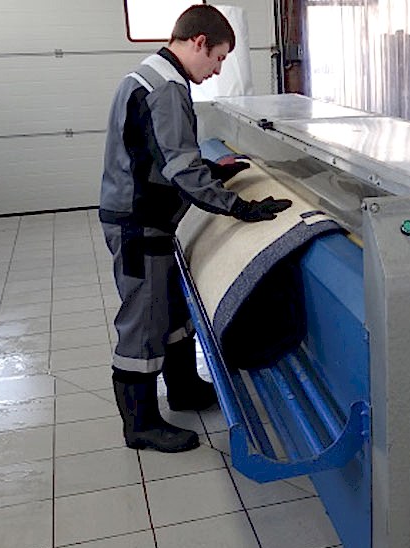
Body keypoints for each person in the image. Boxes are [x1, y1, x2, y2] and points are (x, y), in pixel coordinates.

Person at [99, 4, 291, 453]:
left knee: (171, 312)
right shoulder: (166, 87)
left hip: (147, 218)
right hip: (139, 224)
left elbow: (156, 152)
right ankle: (140, 425)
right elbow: (180, 168)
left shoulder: (152, 74)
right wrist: (238, 207)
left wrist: (213, 170)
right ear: (199, 42)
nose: (218, 69)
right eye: (218, 58)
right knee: (144, 321)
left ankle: (184, 389)